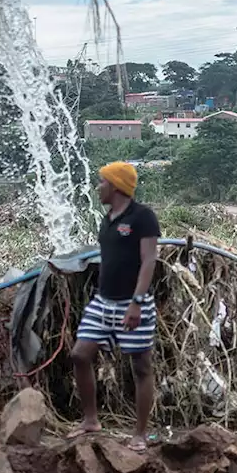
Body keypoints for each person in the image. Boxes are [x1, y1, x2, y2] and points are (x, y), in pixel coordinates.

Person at [69, 162, 160, 452]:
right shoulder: (107, 219)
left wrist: (136, 302)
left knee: (141, 366)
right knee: (80, 355)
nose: (99, 187)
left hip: (133, 303)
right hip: (103, 301)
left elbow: (148, 261)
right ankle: (91, 420)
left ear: (116, 186)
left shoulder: (142, 217)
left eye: (102, 182)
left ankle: (140, 434)